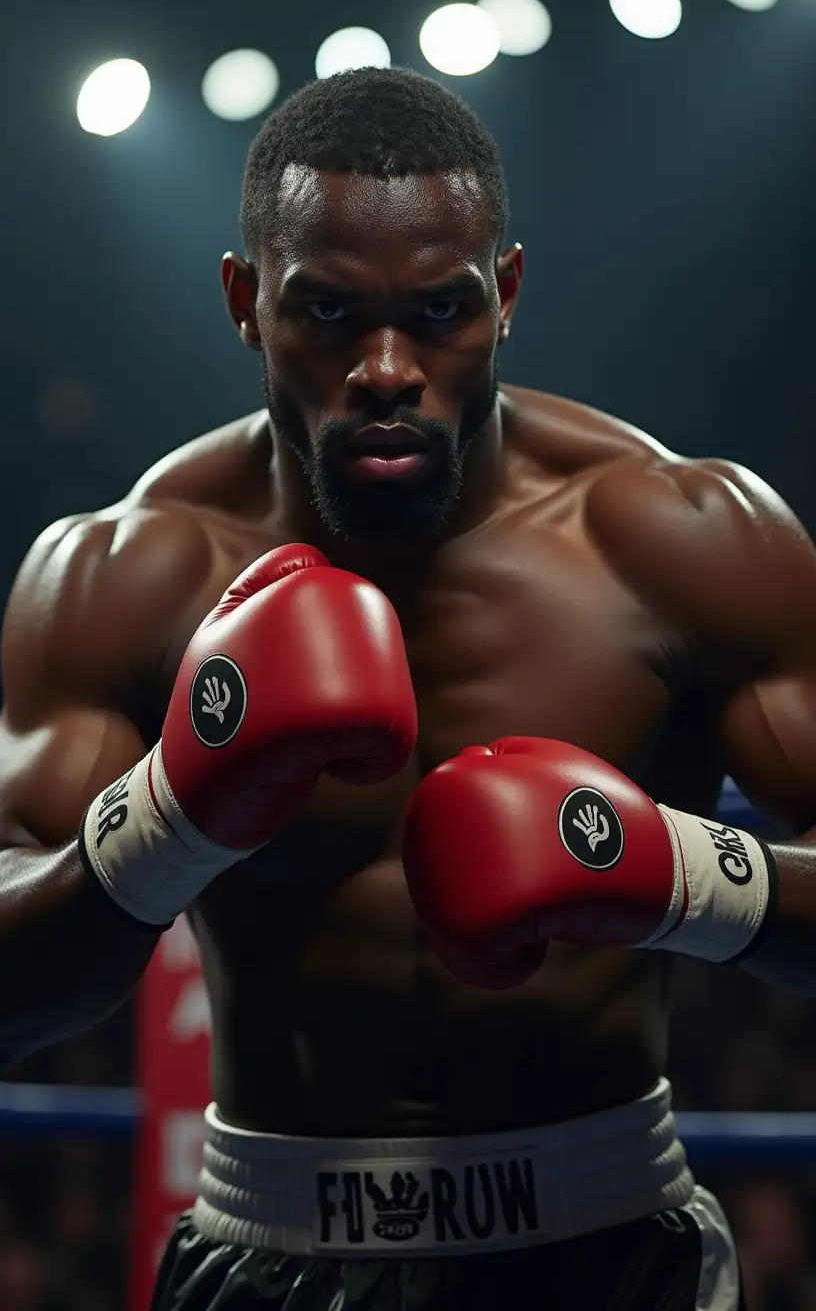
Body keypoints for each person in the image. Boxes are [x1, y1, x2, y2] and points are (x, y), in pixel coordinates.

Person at [1, 66, 816, 1311]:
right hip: (265, 1246)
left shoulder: (684, 537)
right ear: (244, 302)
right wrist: (173, 816)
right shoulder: (124, 577)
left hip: (611, 1248)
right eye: (327, 312)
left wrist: (676, 871)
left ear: (508, 292)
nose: (386, 366)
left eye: (441, 310)